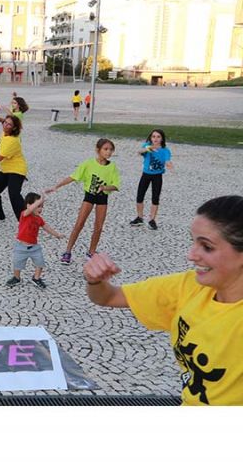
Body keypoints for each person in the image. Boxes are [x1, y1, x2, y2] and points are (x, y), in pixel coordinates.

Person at [83, 195, 243, 405]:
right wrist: (95, 280)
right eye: (193, 242)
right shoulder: (188, 287)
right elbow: (109, 296)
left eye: (207, 247)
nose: (191, 255)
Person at [46, 138, 120, 265]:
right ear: (98, 150)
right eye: (105, 149)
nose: (108, 152)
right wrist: (56, 186)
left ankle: (91, 252)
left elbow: (116, 185)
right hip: (89, 196)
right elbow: (73, 177)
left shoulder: (112, 167)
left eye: (111, 150)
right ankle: (68, 251)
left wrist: (105, 187)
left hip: (103, 198)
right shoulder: (88, 164)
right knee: (79, 224)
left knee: (98, 227)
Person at [6, 192, 65, 289]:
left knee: (40, 262)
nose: (40, 209)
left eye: (42, 206)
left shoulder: (39, 219)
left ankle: (36, 278)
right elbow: (29, 210)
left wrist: (57, 234)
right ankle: (16, 277)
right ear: (29, 205)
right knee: (17, 263)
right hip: (21, 246)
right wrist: (41, 200)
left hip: (34, 247)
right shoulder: (24, 215)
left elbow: (47, 227)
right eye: (38, 206)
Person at [130, 129, 174, 230]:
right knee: (140, 195)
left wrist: (169, 164)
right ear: (150, 138)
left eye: (158, 137)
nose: (155, 139)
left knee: (155, 197)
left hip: (157, 176)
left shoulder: (165, 150)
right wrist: (147, 149)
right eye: (153, 136)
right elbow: (139, 151)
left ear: (162, 139)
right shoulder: (147, 146)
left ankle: (152, 220)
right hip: (146, 174)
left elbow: (167, 160)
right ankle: (140, 217)